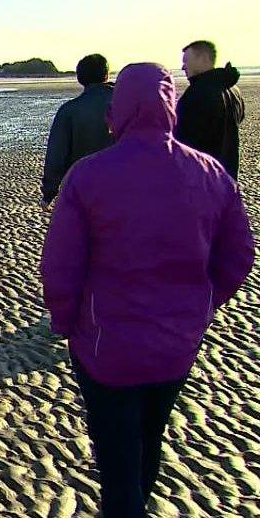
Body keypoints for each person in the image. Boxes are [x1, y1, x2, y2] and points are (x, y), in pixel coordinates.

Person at [41, 63, 254, 517]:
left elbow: (60, 268)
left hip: (105, 347)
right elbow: (238, 259)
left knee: (119, 463)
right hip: (176, 343)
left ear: (119, 110)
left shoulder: (88, 175)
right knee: (148, 439)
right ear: (169, 105)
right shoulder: (211, 172)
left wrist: (65, 320)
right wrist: (201, 305)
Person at [40, 54, 115, 209]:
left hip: (83, 188)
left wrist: (48, 193)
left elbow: (56, 156)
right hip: (123, 187)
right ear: (106, 75)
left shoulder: (69, 111)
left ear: (79, 78)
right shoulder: (126, 104)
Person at [176, 40, 247, 179]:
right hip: (229, 176)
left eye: (186, 61)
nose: (183, 67)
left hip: (203, 179)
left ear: (202, 59)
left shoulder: (196, 94)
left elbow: (183, 141)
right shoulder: (233, 89)